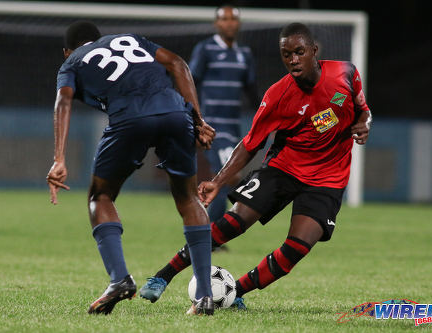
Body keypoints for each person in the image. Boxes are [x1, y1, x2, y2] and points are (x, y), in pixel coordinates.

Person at [139, 22, 372, 309]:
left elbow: (363, 111)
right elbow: (250, 144)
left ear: (314, 51)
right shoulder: (277, 95)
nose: (293, 60)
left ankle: (234, 292)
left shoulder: (345, 73)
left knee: (298, 247)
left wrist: (364, 125)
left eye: (299, 52)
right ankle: (163, 276)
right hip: (284, 167)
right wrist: (218, 181)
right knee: (235, 222)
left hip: (327, 178)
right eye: (286, 54)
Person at [46, 21, 216, 315]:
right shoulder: (130, 39)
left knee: (100, 196)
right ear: (100, 39)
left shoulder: (71, 62)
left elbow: (63, 99)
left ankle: (119, 279)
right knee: (187, 197)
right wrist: (199, 121)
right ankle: (204, 297)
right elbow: (177, 63)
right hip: (176, 112)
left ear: (66, 51)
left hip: (130, 117)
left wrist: (59, 158)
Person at [190, 4, 259, 224]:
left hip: (233, 127)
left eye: (233, 19)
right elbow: (191, 82)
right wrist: (195, 119)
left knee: (225, 176)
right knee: (224, 175)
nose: (229, 23)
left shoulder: (244, 54)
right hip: (212, 126)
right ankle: (212, 231)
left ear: (238, 24)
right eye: (224, 19)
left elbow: (252, 91)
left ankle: (212, 231)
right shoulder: (205, 49)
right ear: (216, 23)